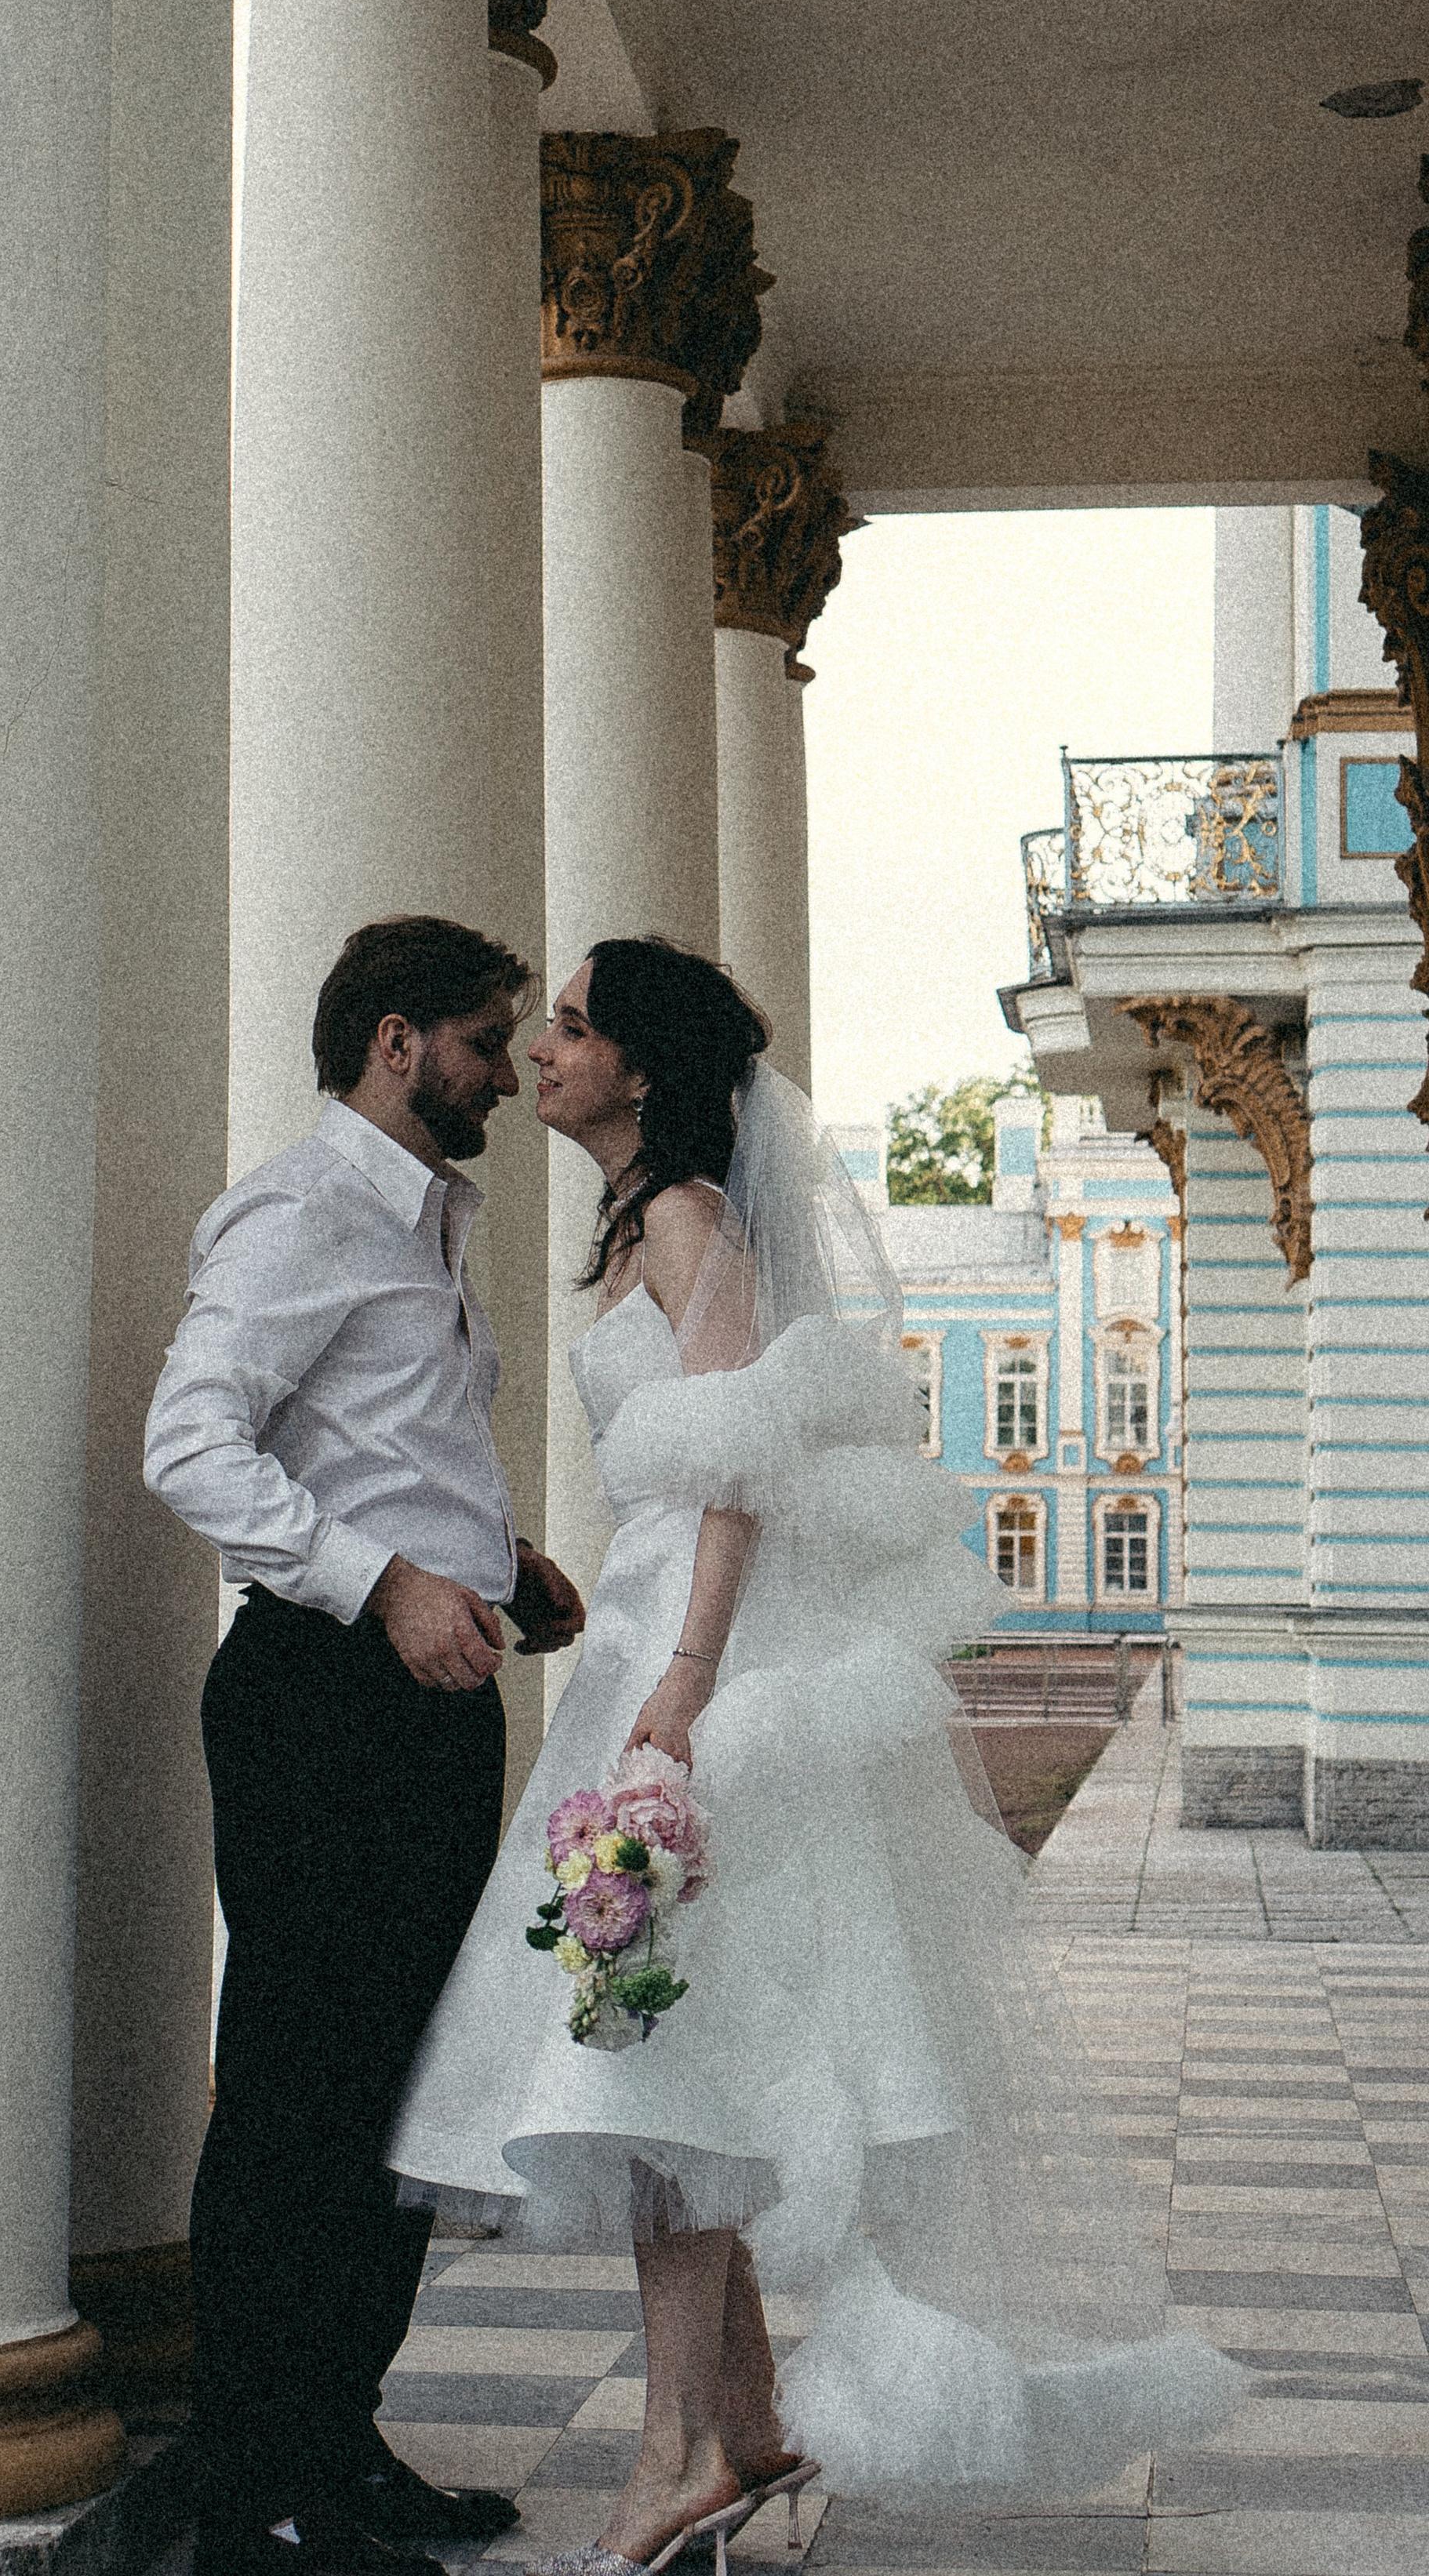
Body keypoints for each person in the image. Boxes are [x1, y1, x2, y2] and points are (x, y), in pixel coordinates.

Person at [387, 936, 1242, 2571]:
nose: (542, 1054)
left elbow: (740, 1474)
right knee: (662, 2052)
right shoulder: (650, 1227)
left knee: (663, 2061)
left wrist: (689, 1686)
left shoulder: (689, 1220)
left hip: (699, 1667)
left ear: (637, 1069)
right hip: (652, 1642)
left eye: (567, 1030)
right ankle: (750, 2433)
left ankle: (672, 2454)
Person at [144, 915, 587, 2576]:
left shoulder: (424, 1222)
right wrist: (383, 1581)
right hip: (315, 1705)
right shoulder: (305, 1207)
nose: (503, 1070)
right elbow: (189, 1446)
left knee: (394, 2098)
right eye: (484, 1041)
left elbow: (381, 1448)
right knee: (292, 2100)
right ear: (395, 1043)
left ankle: (335, 2442)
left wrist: (489, 1565)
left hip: (421, 1703)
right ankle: (253, 2487)